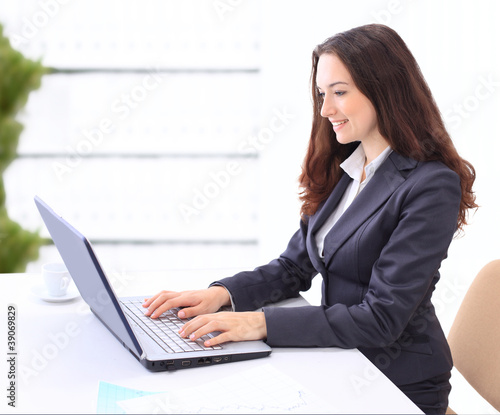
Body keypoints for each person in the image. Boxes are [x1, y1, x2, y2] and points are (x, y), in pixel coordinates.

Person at [143, 24, 477, 414]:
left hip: (396, 381)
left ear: (384, 88)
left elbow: (381, 318)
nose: (325, 110)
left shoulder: (430, 185)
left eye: (339, 92)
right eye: (322, 94)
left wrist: (260, 324)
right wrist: (221, 296)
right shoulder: (347, 167)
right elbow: (293, 267)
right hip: (338, 362)